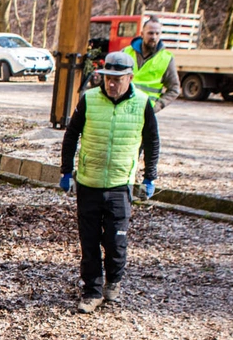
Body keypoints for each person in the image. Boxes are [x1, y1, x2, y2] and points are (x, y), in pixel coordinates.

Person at [58, 52, 159, 314]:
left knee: (116, 242)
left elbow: (151, 142)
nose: (111, 84)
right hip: (89, 182)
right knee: (89, 242)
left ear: (129, 78)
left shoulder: (143, 103)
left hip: (119, 184)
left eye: (117, 79)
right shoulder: (89, 100)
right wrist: (67, 171)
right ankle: (92, 291)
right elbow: (71, 136)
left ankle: (113, 282)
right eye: (107, 79)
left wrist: (150, 176)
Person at [128, 15, 180, 112]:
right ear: (142, 34)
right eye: (150, 33)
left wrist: (157, 106)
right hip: (124, 109)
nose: (154, 37)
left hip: (146, 111)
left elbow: (174, 89)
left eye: (157, 33)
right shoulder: (126, 53)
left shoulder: (166, 59)